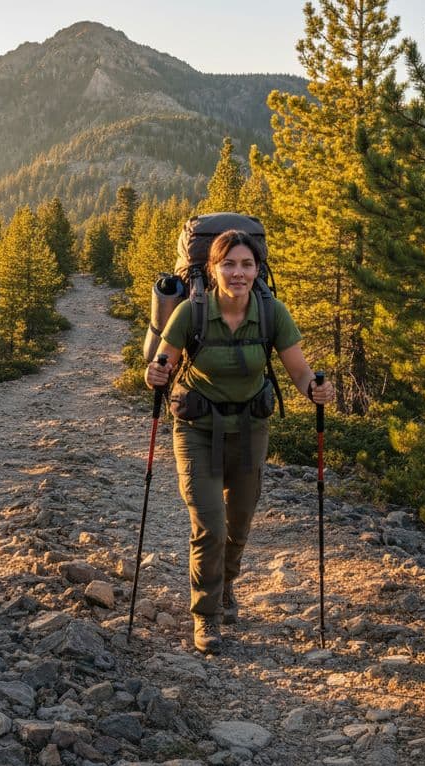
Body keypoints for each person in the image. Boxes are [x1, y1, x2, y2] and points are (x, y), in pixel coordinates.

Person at [145, 229, 334, 654]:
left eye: (247, 264)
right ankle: (206, 617)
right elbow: (161, 366)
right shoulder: (191, 313)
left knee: (239, 524)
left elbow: (300, 372)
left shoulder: (271, 312)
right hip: (196, 429)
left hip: (250, 430)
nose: (238, 272)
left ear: (258, 270)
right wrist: (152, 375)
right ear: (212, 270)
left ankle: (226, 584)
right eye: (228, 264)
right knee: (209, 524)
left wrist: (316, 390)